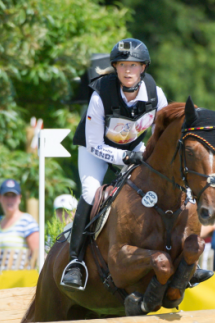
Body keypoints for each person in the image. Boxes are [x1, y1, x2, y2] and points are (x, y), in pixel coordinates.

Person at [63, 38, 168, 289]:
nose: (127, 70)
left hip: (134, 147)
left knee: (158, 189)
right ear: (115, 67)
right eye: (122, 65)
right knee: (90, 193)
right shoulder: (101, 95)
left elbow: (163, 132)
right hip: (95, 150)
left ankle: (173, 252)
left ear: (143, 68)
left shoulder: (155, 93)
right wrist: (124, 157)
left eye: (133, 65)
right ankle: (75, 261)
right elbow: (94, 144)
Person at [0, 179, 39, 258]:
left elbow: (37, 254)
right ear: (0, 197)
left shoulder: (27, 220)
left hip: (22, 270)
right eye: (6, 195)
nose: (10, 200)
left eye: (13, 196)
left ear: (19, 198)